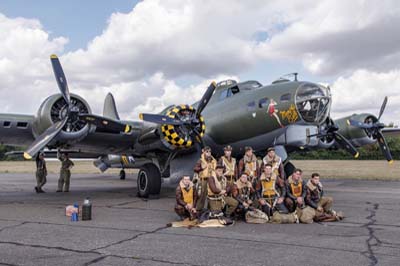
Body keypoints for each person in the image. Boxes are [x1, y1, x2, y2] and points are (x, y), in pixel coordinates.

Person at [193, 146, 217, 211]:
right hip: (203, 180)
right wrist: (202, 168)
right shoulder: (201, 160)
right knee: (202, 195)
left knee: (211, 194)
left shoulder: (213, 160)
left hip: (211, 180)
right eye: (207, 152)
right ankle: (199, 209)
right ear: (204, 152)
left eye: (209, 152)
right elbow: (195, 169)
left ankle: (211, 209)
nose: (208, 153)